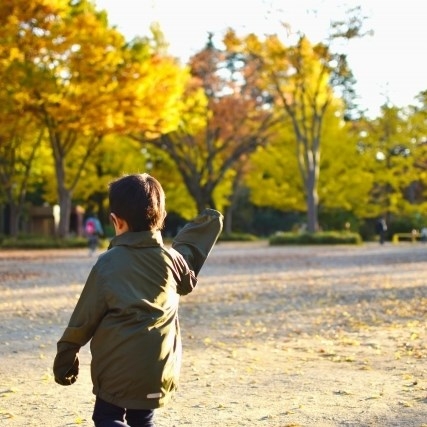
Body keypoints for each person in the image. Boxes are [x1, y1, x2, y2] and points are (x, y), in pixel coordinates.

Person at [53, 173, 223, 427]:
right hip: (158, 369)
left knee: (106, 417)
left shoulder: (108, 264)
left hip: (116, 371)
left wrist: (66, 358)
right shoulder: (172, 260)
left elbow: (83, 319)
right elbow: (188, 262)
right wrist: (209, 223)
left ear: (115, 221)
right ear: (162, 218)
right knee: (142, 420)